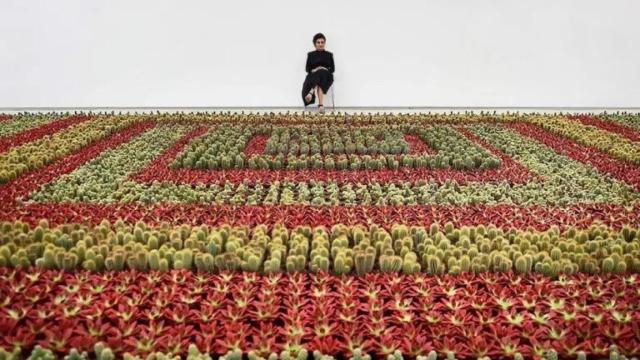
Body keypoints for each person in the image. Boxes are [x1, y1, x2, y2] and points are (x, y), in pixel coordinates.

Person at [302, 33, 334, 113]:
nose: (320, 44)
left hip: (326, 76)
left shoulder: (329, 55)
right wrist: (315, 70)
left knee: (322, 73)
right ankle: (321, 105)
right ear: (315, 44)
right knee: (319, 76)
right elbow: (307, 69)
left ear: (325, 43)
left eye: (322, 42)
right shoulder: (311, 55)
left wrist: (322, 68)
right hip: (314, 76)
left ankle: (311, 92)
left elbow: (332, 69)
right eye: (318, 42)